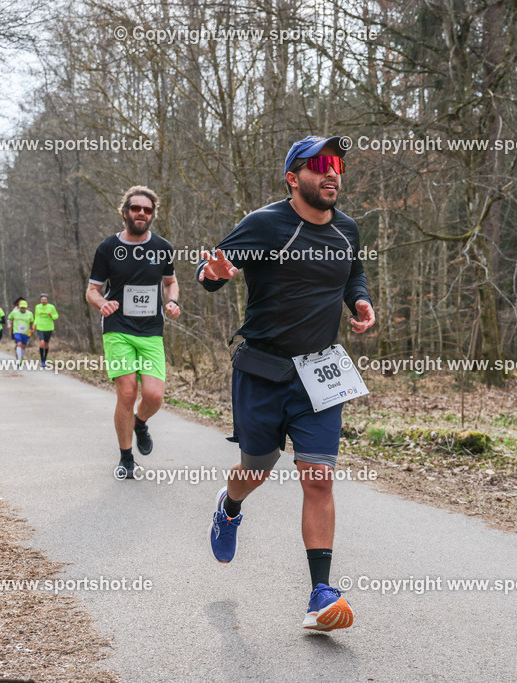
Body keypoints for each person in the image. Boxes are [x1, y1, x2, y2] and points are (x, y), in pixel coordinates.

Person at [197, 135, 376, 631]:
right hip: (263, 370)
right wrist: (214, 273)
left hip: (321, 371)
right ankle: (230, 506)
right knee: (257, 467)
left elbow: (353, 272)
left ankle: (320, 594)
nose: (331, 172)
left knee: (318, 477)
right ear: (293, 178)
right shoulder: (265, 224)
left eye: (336, 164)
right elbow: (211, 272)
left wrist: (360, 300)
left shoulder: (347, 228)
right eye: (319, 164)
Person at [86, 185, 180, 480]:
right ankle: (126, 457)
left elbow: (170, 282)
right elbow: (92, 290)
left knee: (153, 396)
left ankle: (140, 422)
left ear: (152, 215)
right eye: (136, 208)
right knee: (127, 392)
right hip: (118, 328)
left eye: (147, 210)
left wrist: (173, 301)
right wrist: (102, 304)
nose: (141, 213)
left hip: (151, 330)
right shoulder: (108, 248)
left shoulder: (162, 247)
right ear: (125, 212)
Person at [32, 294, 59, 369]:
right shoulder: (37, 307)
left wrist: (52, 316)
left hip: (48, 327)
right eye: (42, 299)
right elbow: (36, 316)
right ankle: (42, 360)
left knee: (46, 344)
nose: (43, 301)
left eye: (45, 299)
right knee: (42, 343)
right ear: (40, 300)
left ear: (47, 300)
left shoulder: (51, 307)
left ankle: (45, 358)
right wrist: (34, 324)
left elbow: (56, 316)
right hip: (40, 327)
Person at [7, 299, 34, 367]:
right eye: (21, 307)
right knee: (19, 344)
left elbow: (31, 322)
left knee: (24, 346)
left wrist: (31, 329)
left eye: (24, 307)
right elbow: (9, 318)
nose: (23, 309)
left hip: (25, 332)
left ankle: (21, 356)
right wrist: (9, 324)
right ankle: (18, 360)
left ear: (26, 307)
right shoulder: (14, 312)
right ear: (19, 307)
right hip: (17, 331)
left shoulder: (29, 314)